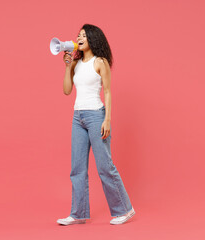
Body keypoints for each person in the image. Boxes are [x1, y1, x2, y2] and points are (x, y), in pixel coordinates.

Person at [56, 24, 135, 226]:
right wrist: (67, 67)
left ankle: (125, 210)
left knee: (104, 166)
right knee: (77, 169)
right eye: (78, 35)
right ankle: (78, 213)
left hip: (96, 116)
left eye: (83, 35)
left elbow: (107, 92)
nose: (79, 38)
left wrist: (107, 119)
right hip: (78, 117)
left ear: (92, 39)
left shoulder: (100, 62)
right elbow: (67, 90)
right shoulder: (75, 63)